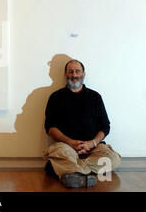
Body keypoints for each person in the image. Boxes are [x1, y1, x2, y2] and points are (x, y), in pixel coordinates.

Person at [43, 59, 121, 188]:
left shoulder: (95, 97)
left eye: (78, 71)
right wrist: (71, 142)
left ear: (83, 74)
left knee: (113, 159)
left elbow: (105, 126)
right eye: (71, 72)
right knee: (58, 152)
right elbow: (50, 127)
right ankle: (80, 171)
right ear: (65, 75)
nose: (74, 75)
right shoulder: (56, 97)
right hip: (66, 147)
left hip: (94, 148)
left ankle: (71, 170)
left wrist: (92, 143)